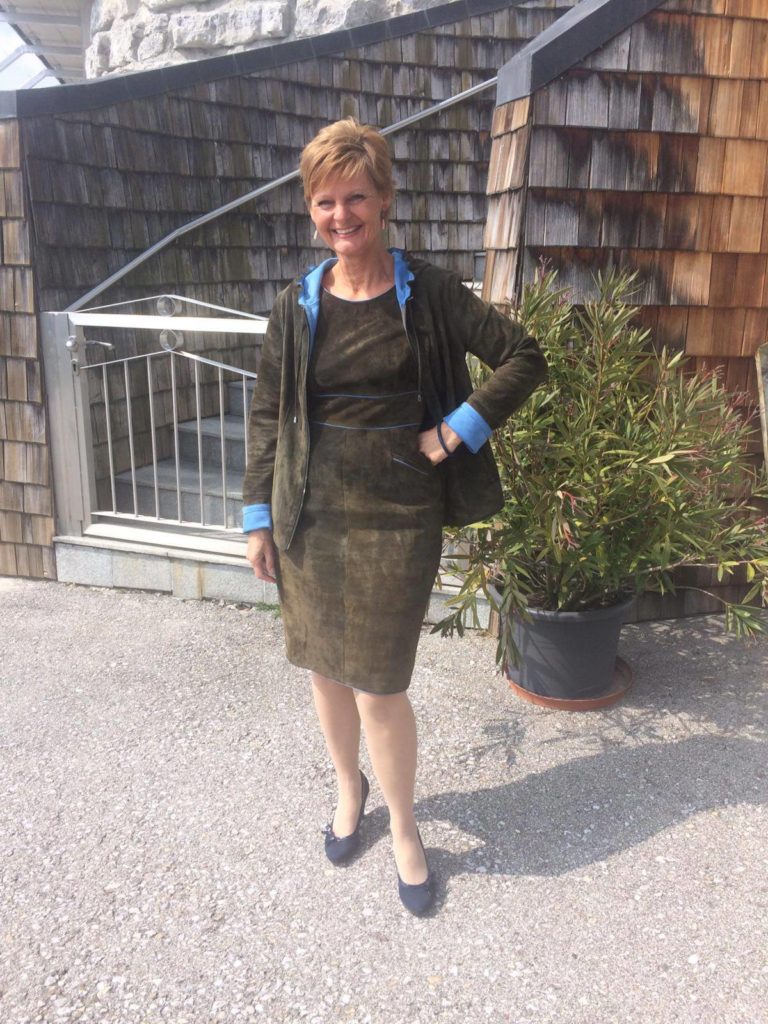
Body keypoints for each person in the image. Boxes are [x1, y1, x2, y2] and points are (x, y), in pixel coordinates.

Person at [241, 118, 547, 915]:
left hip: (398, 515)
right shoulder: (295, 306)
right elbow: (268, 414)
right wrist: (256, 517)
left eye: (355, 198)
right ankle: (349, 791)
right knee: (324, 667)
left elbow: (525, 357)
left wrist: (454, 432)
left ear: (384, 200)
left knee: (379, 682)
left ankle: (405, 827)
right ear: (311, 209)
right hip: (309, 515)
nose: (340, 216)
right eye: (324, 202)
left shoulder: (431, 293)